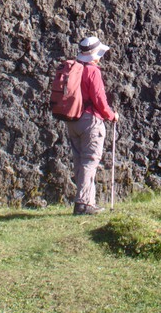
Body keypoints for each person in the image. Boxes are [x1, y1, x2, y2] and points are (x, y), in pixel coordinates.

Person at [67, 35, 117, 215]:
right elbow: (99, 99)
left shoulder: (74, 68)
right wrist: (111, 115)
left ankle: (89, 202)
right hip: (91, 121)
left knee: (80, 161)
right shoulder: (92, 71)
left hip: (72, 120)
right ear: (95, 54)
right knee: (90, 161)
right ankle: (82, 203)